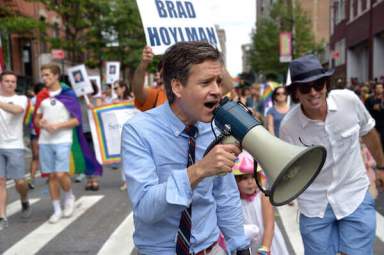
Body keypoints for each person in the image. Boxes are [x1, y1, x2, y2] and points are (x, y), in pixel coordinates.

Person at [122, 41, 250, 254]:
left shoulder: (215, 127)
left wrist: (239, 244)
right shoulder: (138, 131)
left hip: (210, 249)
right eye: (206, 82)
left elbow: (225, 194)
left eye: (218, 81)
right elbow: (145, 208)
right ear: (177, 87)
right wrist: (199, 170)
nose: (217, 91)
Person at [280, 54, 384, 254]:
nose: (313, 92)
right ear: (295, 93)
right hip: (314, 205)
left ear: (326, 85)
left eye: (318, 84)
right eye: (304, 88)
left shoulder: (349, 101)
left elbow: (369, 133)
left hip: (354, 195)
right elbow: (288, 168)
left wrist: (381, 167)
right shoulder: (288, 127)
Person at [34, 64, 101, 224]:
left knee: (60, 174)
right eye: (43, 75)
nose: (45, 78)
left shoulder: (68, 94)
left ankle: (69, 196)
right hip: (45, 140)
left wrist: (57, 126)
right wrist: (41, 123)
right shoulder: (42, 96)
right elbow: (36, 119)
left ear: (57, 76)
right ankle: (56, 209)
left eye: (48, 75)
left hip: (63, 140)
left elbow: (76, 120)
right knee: (51, 176)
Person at [132, 45, 235, 112]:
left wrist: (212, 58)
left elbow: (228, 85)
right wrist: (144, 63)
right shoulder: (155, 95)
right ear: (161, 74)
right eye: (168, 69)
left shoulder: (197, 92)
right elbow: (137, 90)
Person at [233, 151, 289, 255]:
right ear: (235, 180)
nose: (250, 182)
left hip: (268, 243)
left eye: (253, 177)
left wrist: (265, 248)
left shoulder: (263, 196)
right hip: (249, 246)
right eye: (244, 178)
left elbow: (269, 225)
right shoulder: (234, 201)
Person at [0, 70, 31, 230]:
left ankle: (24, 198)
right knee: (1, 181)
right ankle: (2, 216)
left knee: (20, 182)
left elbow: (17, 111)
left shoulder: (21, 99)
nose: (10, 84)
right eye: (7, 81)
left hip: (15, 146)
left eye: (13, 81)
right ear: (1, 82)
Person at [365, 83, 384, 150]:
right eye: (378, 88)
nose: (379, 89)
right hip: (373, 123)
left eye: (381, 87)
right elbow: (369, 110)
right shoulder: (370, 99)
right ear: (375, 89)